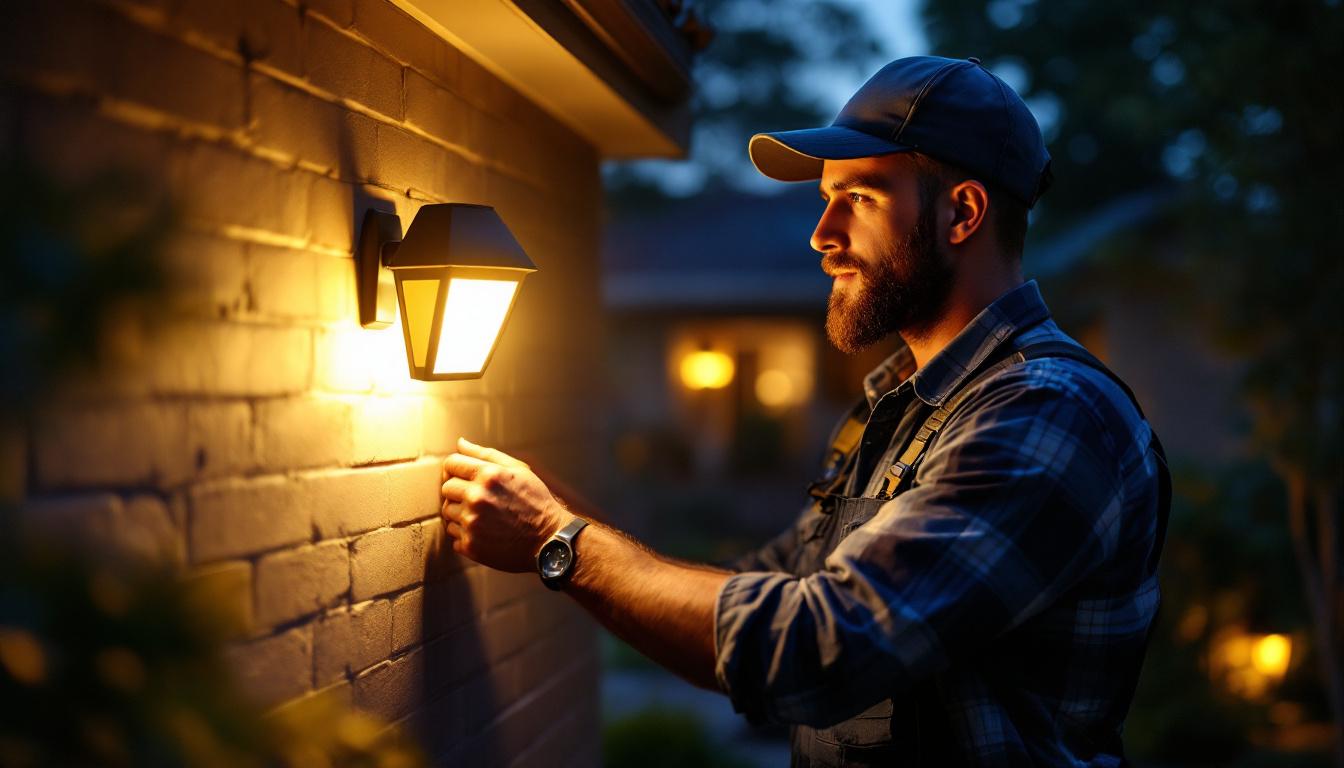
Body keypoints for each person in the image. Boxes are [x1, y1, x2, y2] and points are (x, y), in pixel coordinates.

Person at [439, 55, 1170, 767]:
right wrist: (560, 512)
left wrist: (554, 539)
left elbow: (822, 646)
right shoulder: (896, 409)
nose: (822, 235)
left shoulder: (1047, 413)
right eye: (826, 198)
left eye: (858, 197)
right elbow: (753, 598)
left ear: (962, 212)